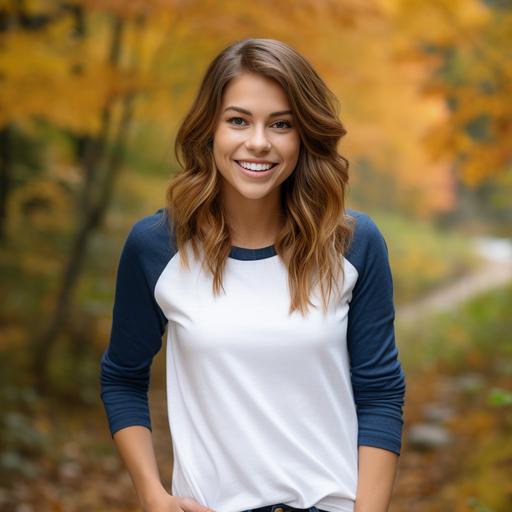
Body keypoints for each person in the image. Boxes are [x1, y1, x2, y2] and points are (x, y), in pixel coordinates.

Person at [100, 38, 406, 512]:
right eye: (238, 120)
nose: (258, 142)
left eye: (281, 124)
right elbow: (122, 376)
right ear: (210, 130)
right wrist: (151, 494)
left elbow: (381, 392)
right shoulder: (157, 246)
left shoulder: (353, 243)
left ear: (304, 135)